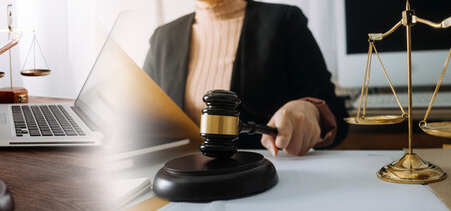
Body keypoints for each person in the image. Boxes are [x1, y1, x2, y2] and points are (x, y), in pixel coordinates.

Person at [143, 0, 349, 156]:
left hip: (262, 183)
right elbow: (142, 121)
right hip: (178, 186)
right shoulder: (162, 38)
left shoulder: (284, 22)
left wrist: (310, 109)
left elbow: (335, 111)